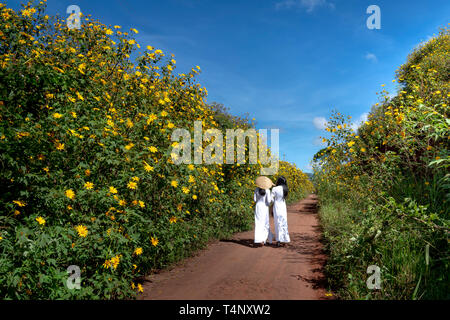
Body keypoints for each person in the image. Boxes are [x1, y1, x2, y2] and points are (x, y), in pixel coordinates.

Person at [253, 178, 274, 246]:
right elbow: (268, 201)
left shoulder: (256, 189)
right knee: (265, 223)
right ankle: (263, 239)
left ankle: (258, 239)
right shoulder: (267, 190)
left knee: (258, 223)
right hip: (264, 207)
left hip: (258, 207)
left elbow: (255, 199)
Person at [272, 176, 290, 246]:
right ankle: (285, 240)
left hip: (277, 206)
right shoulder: (286, 188)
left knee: (278, 223)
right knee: (284, 222)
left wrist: (273, 201)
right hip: (283, 206)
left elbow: (271, 199)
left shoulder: (274, 189)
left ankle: (279, 240)